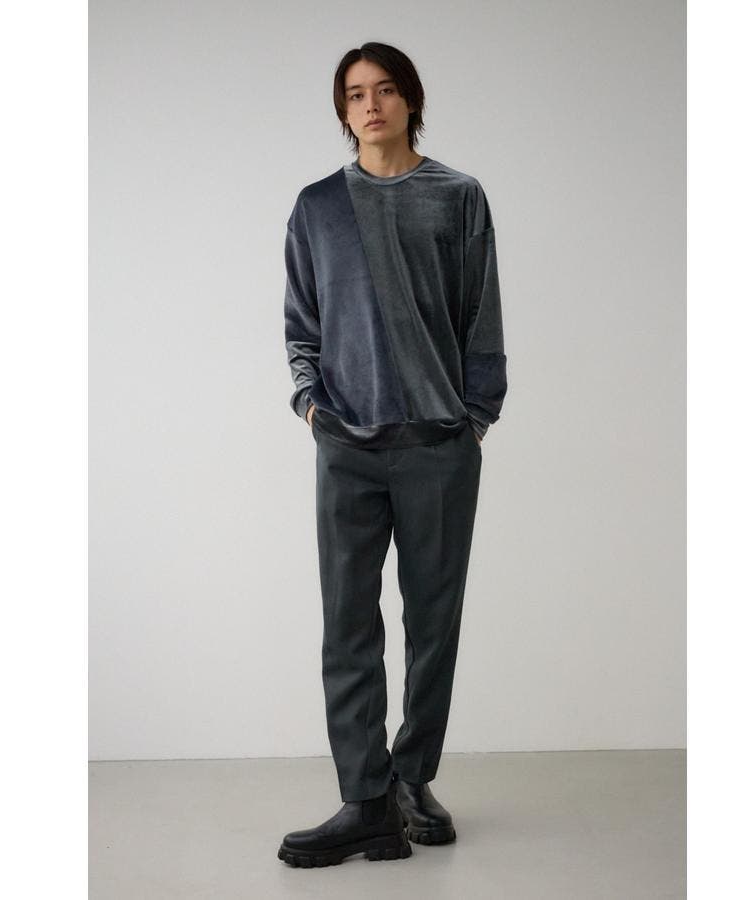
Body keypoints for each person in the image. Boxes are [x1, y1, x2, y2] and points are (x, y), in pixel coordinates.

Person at [278, 41, 508, 868]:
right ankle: (365, 800)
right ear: (343, 111)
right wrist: (311, 404)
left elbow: (481, 314)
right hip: (346, 444)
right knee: (347, 624)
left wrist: (475, 416)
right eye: (354, 94)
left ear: (410, 99)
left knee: (433, 623)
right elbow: (301, 321)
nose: (370, 105)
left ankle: (413, 779)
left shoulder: (458, 196)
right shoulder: (317, 207)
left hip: (439, 445)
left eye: (383, 90)